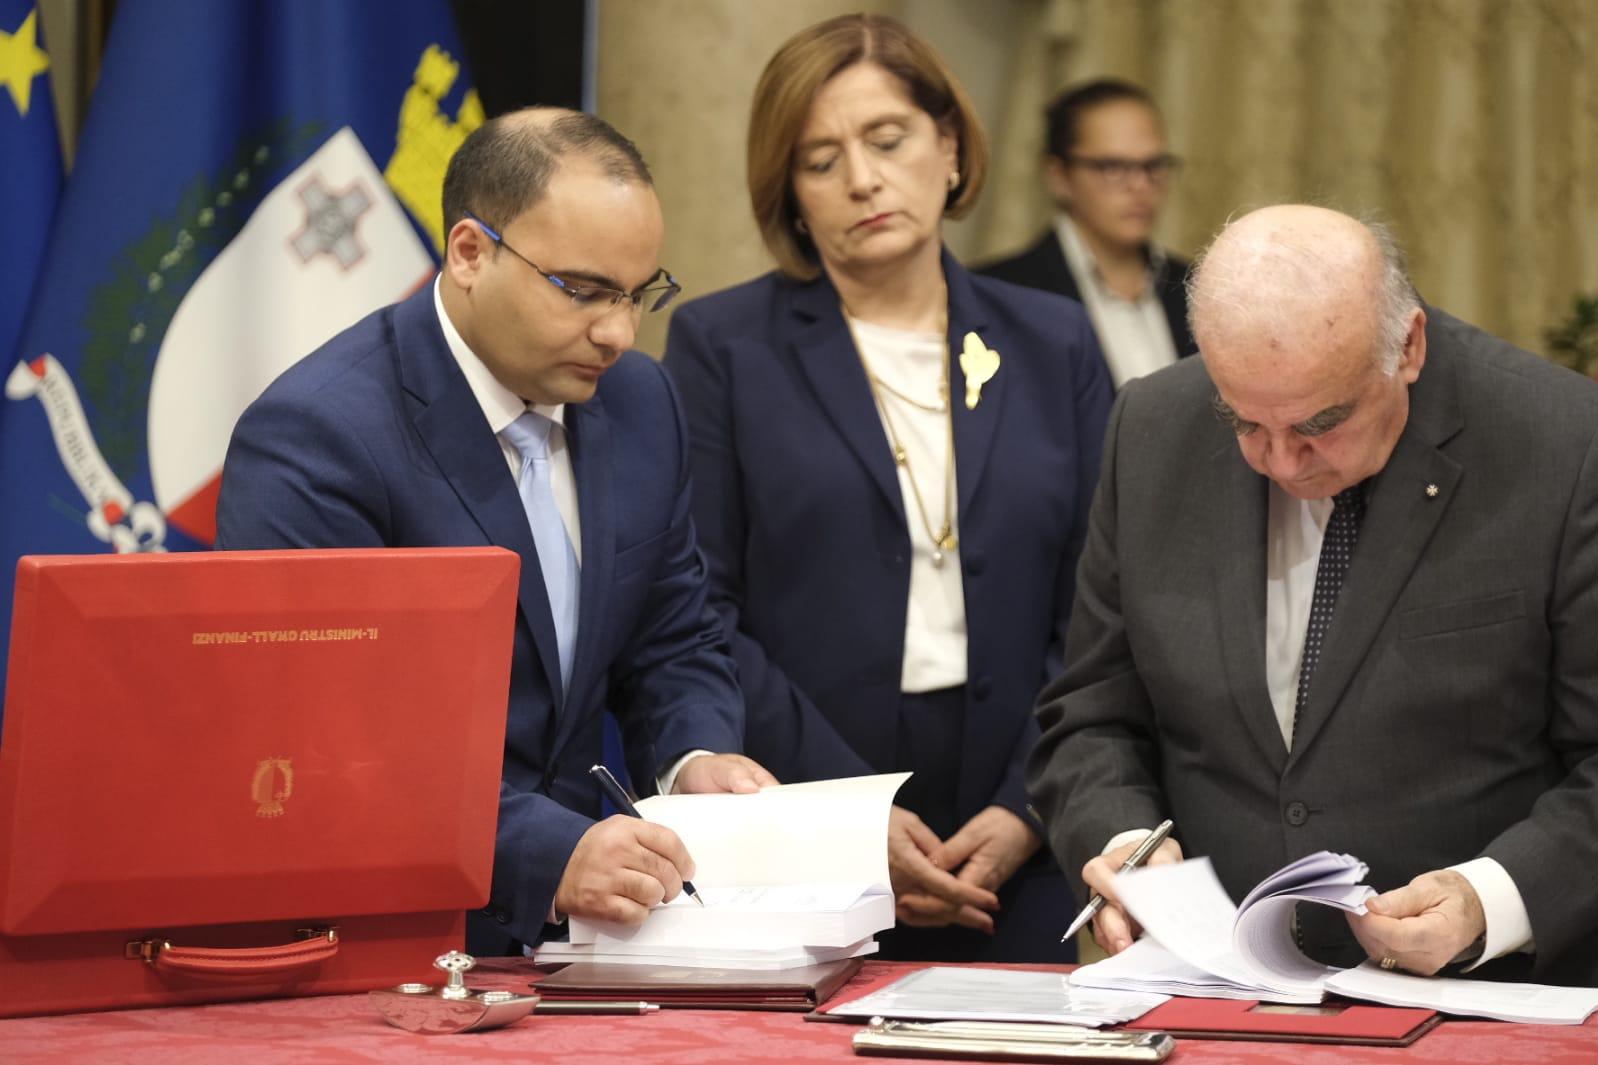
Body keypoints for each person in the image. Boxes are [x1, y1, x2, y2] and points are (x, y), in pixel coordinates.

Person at [216, 108, 776, 956]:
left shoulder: (642, 404)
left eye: (639, 292)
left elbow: (674, 636)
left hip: (588, 944)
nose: (619, 332)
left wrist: (693, 759)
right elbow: (326, 734)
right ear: (470, 253)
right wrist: (547, 852)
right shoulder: (318, 435)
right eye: (583, 290)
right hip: (386, 944)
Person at [1027, 204, 1598, 985]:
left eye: (1320, 423)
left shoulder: (1563, 443)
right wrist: (1125, 836)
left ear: (1410, 346)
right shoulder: (1153, 427)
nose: (1282, 463)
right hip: (1213, 990)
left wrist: (1491, 898)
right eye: (1244, 421)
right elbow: (1091, 713)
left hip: (1479, 995)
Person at [663, 14, 1112, 961]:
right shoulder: (724, 347)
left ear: (949, 147)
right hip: (802, 815)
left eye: (888, 140)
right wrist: (845, 813)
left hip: (1018, 823)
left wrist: (1029, 801)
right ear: (790, 194)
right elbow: (702, 610)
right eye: (819, 160)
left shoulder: (1053, 339)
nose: (861, 179)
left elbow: (1100, 603)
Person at [979, 79, 1192, 388]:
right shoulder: (998, 295)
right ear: (1059, 176)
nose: (1140, 185)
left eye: (1154, 165)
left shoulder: (1199, 288)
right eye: (1113, 167)